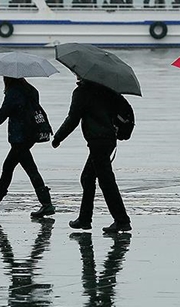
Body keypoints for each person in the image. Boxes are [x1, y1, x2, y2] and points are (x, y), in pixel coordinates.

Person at [52, 78, 132, 233]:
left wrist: (58, 137)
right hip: (108, 139)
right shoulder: (106, 89)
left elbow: (73, 118)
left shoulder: (82, 92)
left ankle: (122, 220)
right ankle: (84, 219)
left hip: (98, 141)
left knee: (106, 181)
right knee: (88, 178)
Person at [0, 76, 55, 218]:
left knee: (13, 169)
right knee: (21, 168)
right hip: (30, 135)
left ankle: (46, 204)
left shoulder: (14, 93)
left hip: (20, 138)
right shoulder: (31, 90)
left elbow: (1, 116)